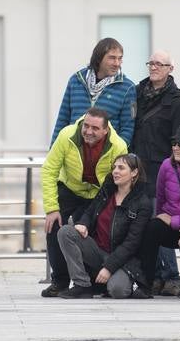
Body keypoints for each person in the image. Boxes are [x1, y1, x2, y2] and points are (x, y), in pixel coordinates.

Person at [40, 108, 129, 296]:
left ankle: (89, 281)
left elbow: (118, 180)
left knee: (88, 234)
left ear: (105, 130)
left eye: (95, 128)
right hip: (69, 188)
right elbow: (49, 170)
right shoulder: (67, 135)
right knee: (54, 228)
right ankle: (60, 281)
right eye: (86, 126)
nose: (88, 131)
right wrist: (51, 208)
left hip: (98, 193)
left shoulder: (118, 145)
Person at [131, 50, 180, 295]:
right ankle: (152, 276)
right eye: (151, 63)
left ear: (170, 69)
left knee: (159, 220)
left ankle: (171, 277)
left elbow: (179, 139)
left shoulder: (177, 103)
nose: (153, 67)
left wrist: (174, 169)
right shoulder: (136, 94)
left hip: (162, 170)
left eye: (159, 64)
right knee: (142, 223)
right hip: (138, 168)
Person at [56, 155, 153, 299]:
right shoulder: (107, 190)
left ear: (134, 173)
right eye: (114, 167)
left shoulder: (143, 203)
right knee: (65, 232)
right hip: (97, 251)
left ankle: (107, 281)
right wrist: (83, 223)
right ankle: (82, 285)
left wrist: (109, 268)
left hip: (123, 260)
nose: (115, 171)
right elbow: (90, 211)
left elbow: (132, 243)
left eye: (121, 168)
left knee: (118, 291)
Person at [138, 124, 180, 297]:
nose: (176, 147)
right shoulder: (167, 165)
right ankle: (146, 283)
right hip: (172, 226)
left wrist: (175, 221)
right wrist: (164, 219)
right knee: (152, 228)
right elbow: (161, 199)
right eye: (174, 143)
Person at [52, 38, 137, 145]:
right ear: (99, 58)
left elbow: (128, 129)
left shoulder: (128, 87)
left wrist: (116, 154)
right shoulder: (76, 80)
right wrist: (53, 151)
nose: (117, 63)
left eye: (120, 59)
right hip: (72, 152)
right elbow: (62, 120)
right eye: (112, 58)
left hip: (106, 156)